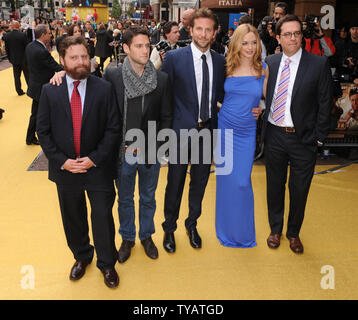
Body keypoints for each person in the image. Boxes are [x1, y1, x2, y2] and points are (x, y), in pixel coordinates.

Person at [37, 36, 121, 288]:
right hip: (66, 170)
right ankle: (82, 256)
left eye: (85, 56)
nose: (81, 62)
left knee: (103, 216)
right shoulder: (50, 90)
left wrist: (94, 159)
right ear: (62, 61)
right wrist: (63, 162)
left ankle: (107, 263)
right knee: (72, 217)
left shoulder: (104, 88)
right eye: (74, 57)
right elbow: (44, 131)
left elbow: (113, 128)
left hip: (98, 167)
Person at [261, 15, 332, 254]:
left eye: (297, 33)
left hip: (304, 139)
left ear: (302, 36)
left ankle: (293, 233)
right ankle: (275, 229)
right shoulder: (269, 63)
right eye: (287, 34)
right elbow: (260, 96)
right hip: (274, 135)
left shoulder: (318, 64)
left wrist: (319, 137)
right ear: (278, 37)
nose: (293, 38)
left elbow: (325, 103)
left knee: (300, 189)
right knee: (274, 186)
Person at [103, 26, 172, 263]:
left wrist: (157, 146)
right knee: (124, 198)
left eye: (147, 45)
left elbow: (167, 117)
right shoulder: (112, 76)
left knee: (148, 197)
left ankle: (146, 235)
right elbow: (103, 110)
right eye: (139, 46)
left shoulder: (160, 79)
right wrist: (60, 75)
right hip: (123, 152)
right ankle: (128, 237)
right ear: (125, 48)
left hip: (150, 150)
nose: (145, 50)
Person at [161, 8, 225, 253]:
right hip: (179, 134)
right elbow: (164, 97)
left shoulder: (220, 62)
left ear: (215, 32)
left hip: (207, 132)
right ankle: (169, 228)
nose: (203, 33)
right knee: (174, 183)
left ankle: (192, 224)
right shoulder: (174, 59)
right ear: (190, 29)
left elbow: (221, 94)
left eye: (209, 29)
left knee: (199, 183)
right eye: (199, 28)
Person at [215, 24, 267, 248]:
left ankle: (243, 233)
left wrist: (262, 106)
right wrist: (218, 107)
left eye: (253, 42)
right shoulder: (226, 66)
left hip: (246, 132)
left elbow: (269, 98)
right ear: (236, 43)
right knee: (226, 181)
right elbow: (213, 94)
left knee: (243, 182)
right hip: (225, 128)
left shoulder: (263, 68)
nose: (249, 47)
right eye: (244, 42)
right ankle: (226, 230)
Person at [25, 24, 63, 145]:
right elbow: (54, 66)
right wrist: (68, 68)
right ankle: (33, 137)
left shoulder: (30, 46)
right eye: (48, 33)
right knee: (38, 114)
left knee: (35, 113)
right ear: (43, 35)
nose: (50, 35)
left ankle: (31, 137)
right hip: (41, 87)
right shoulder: (41, 51)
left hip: (35, 85)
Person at [4, 20, 29, 96]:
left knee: (16, 76)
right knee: (27, 75)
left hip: (14, 59)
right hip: (24, 59)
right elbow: (27, 47)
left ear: (12, 26)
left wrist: (9, 58)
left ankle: (19, 91)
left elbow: (7, 48)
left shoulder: (7, 36)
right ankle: (30, 89)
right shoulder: (22, 35)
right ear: (18, 26)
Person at [332, 19, 358, 84]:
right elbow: (332, 60)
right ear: (349, 30)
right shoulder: (341, 43)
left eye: (357, 29)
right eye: (353, 29)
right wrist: (345, 62)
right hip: (342, 78)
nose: (355, 31)